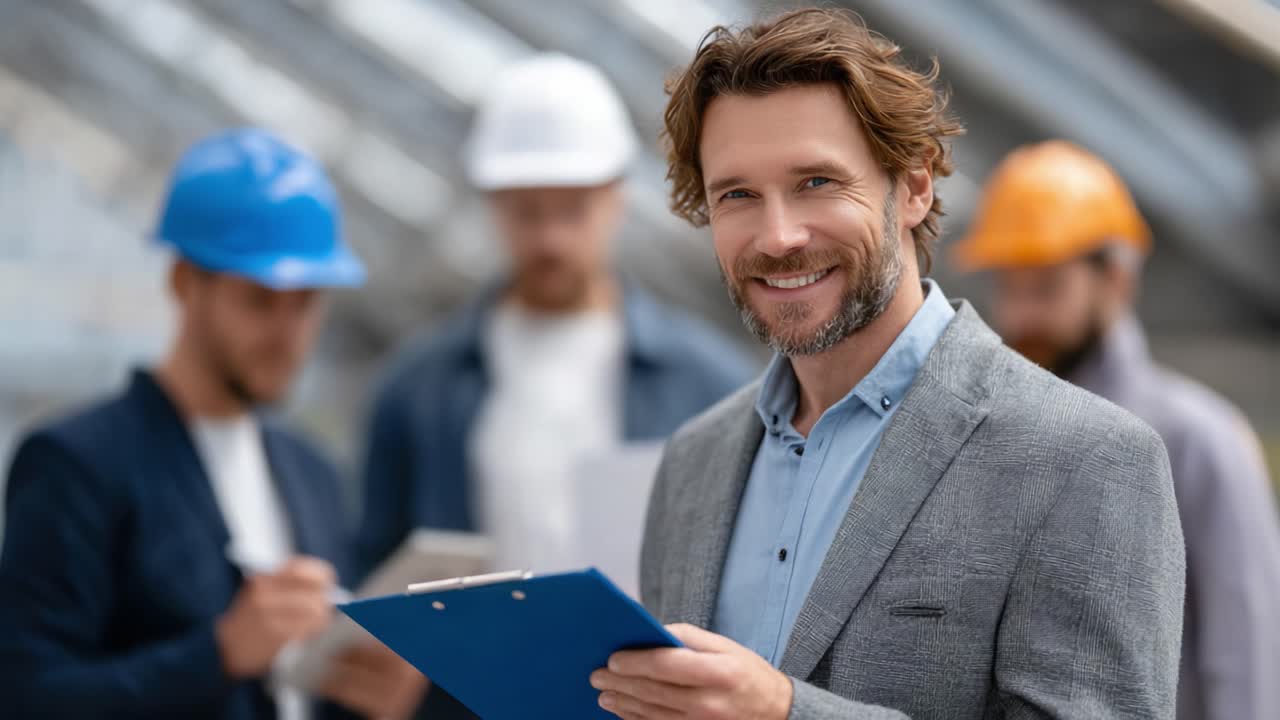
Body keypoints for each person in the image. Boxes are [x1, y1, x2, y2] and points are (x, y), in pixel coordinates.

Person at [588, 9, 1186, 719]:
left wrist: (786, 713)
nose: (778, 236)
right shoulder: (694, 463)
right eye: (738, 195)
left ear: (914, 188)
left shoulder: (1083, 460)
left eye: (816, 182)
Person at [357, 53, 755, 718]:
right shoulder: (418, 389)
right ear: (491, 205)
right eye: (525, 212)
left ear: (616, 199)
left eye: (570, 210)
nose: (548, 237)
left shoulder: (708, 383)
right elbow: (376, 561)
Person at [0, 129, 425, 719]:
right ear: (183, 282)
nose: (287, 332)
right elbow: (27, 699)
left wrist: (377, 697)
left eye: (306, 302)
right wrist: (220, 653)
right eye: (259, 299)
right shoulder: (77, 465)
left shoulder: (315, 476)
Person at [950, 139, 1280, 720]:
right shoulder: (985, 434)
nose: (1022, 317)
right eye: (1011, 288)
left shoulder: (1199, 441)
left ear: (1118, 280)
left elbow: (1247, 655)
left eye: (1047, 287)